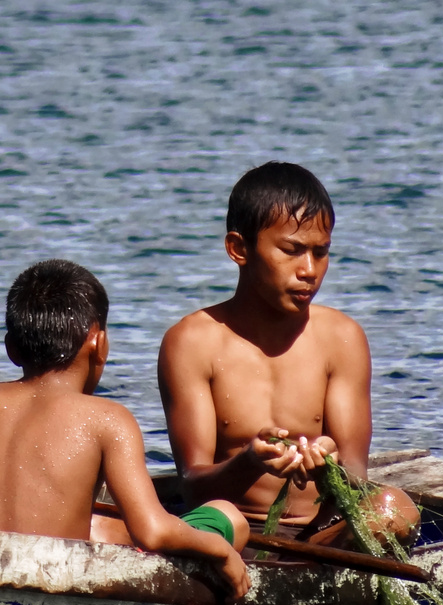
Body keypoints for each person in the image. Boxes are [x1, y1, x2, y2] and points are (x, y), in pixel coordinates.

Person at [0, 259, 250, 598]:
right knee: (227, 515)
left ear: (11, 348)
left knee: (102, 525)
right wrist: (220, 551)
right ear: (99, 343)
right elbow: (153, 532)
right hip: (49, 583)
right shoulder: (108, 418)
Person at [157, 162, 418, 545]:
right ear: (239, 248)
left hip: (321, 537)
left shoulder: (342, 338)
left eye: (321, 252)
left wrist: (330, 466)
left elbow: (356, 477)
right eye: (292, 250)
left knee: (397, 508)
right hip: (234, 534)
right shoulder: (192, 342)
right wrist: (248, 463)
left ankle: (314, 559)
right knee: (220, 517)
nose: (309, 270)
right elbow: (193, 487)